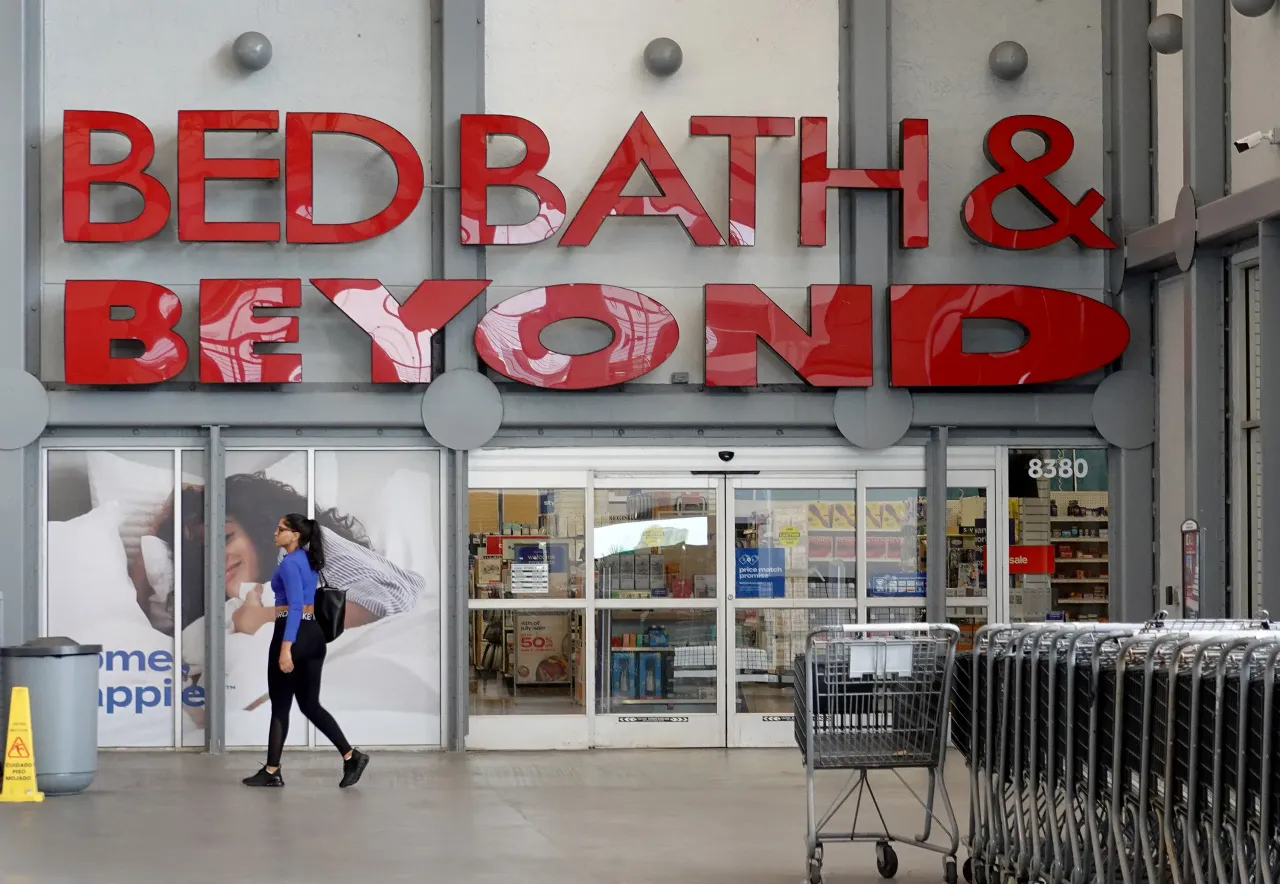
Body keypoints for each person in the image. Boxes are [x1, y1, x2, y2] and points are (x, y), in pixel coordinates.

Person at [241, 513, 369, 789]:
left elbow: (296, 606)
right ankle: (351, 756)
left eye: (281, 529)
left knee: (280, 706)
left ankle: (272, 771)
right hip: (313, 636)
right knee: (310, 704)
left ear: (295, 535)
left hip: (293, 633)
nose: (275, 533)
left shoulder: (290, 563)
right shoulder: (307, 560)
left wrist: (286, 648)